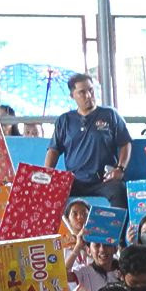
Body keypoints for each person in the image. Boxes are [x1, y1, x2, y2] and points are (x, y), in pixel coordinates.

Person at [45, 73, 133, 203]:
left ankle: (118, 224)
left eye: (91, 90)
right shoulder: (64, 120)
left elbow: (126, 143)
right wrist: (46, 174)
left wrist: (120, 169)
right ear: (72, 96)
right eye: (82, 92)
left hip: (103, 180)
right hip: (74, 181)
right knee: (49, 192)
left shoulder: (110, 115)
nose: (88, 95)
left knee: (119, 190)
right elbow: (53, 150)